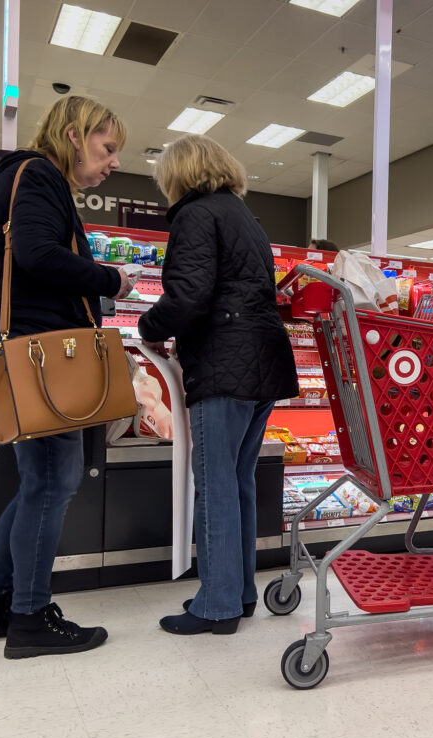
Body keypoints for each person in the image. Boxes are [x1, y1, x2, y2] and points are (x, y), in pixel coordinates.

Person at [0, 96, 134, 658]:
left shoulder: (18, 180)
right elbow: (34, 253)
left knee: (41, 483)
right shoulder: (38, 176)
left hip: (10, 343)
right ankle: (29, 618)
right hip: (32, 348)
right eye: (108, 148)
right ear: (75, 136)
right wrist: (110, 279)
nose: (113, 163)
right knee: (54, 482)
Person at [139, 134, 298, 635]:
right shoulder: (244, 218)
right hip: (264, 363)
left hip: (224, 366)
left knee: (213, 487)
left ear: (179, 174)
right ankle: (240, 591)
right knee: (238, 482)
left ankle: (217, 605)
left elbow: (188, 297)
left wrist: (147, 327)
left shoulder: (195, 215)